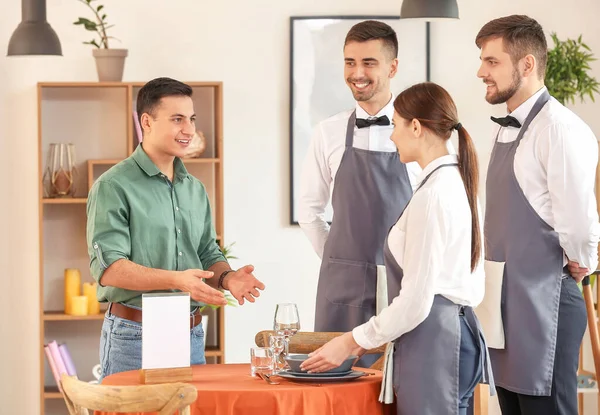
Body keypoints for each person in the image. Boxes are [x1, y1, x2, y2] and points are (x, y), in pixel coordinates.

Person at [301, 82, 492, 415]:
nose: (391, 137)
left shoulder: (432, 196)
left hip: (434, 341)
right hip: (456, 334)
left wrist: (351, 341)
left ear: (415, 127)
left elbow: (416, 301)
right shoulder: (456, 182)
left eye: (397, 126)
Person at [86, 77, 265, 379]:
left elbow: (207, 251)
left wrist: (228, 277)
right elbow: (109, 269)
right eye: (177, 119)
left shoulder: (194, 188)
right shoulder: (113, 185)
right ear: (147, 121)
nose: (189, 130)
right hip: (134, 336)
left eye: (192, 119)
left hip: (190, 334)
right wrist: (177, 280)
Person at [475, 15, 599, 414]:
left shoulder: (559, 128)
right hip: (504, 304)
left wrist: (584, 263)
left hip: (546, 301)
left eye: (492, 62)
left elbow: (579, 219)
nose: (481, 72)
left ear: (526, 65)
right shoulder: (503, 129)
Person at [298, 20, 420, 366]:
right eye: (350, 62)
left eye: (369, 62)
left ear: (393, 67)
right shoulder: (328, 132)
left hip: (402, 282)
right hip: (342, 287)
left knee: (399, 383)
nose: (357, 73)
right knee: (337, 386)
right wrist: (340, 262)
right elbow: (309, 211)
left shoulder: (419, 130)